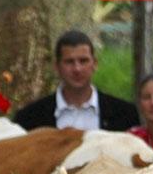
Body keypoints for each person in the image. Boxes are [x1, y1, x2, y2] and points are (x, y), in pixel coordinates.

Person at [11, 29, 139, 133]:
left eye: (83, 61)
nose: (77, 69)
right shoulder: (29, 118)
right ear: (56, 66)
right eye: (69, 62)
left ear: (94, 64)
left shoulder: (125, 114)